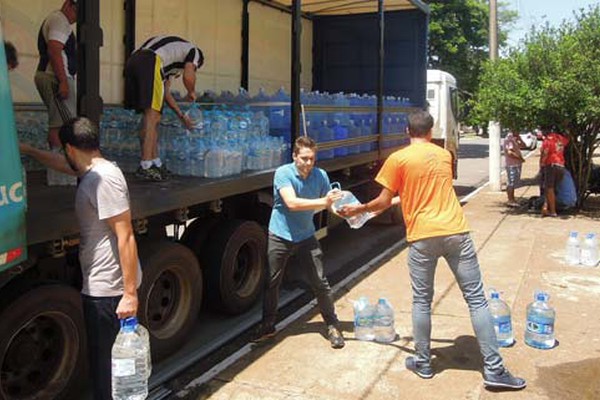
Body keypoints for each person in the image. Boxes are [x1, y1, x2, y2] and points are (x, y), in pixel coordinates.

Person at [338, 110, 526, 389]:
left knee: (421, 302)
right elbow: (430, 189)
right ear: (430, 130)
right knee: (477, 300)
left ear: (406, 131)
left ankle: (424, 362)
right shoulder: (444, 155)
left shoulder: (398, 159)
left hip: (422, 236)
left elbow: (382, 201)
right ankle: (494, 370)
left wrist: (359, 209)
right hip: (456, 231)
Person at [19, 117, 142, 400]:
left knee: (109, 374)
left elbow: (126, 236)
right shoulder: (92, 171)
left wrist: (129, 294)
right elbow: (65, 166)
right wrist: (29, 150)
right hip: (103, 287)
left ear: (70, 149)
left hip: (109, 292)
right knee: (105, 367)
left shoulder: (104, 180)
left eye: (64, 151)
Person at [253, 136, 345, 349]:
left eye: (312, 159)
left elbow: (328, 204)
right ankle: (268, 326)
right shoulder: (283, 173)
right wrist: (324, 202)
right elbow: (292, 203)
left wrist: (341, 209)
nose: (308, 163)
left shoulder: (320, 175)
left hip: (306, 235)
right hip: (280, 235)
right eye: (304, 158)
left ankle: (332, 324)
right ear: (294, 156)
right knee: (272, 283)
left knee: (320, 282)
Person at [124, 35, 204, 181]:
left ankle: (155, 162)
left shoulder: (169, 64)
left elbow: (165, 94)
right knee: (153, 117)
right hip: (150, 61)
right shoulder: (194, 51)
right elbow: (188, 75)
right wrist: (191, 91)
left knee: (151, 116)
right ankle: (146, 165)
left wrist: (181, 116)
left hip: (132, 62)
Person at [34, 0, 78, 149]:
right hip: (54, 77)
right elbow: (54, 49)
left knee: (61, 122)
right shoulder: (59, 20)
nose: (76, 17)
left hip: (56, 77)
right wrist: (63, 81)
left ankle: (58, 164)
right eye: (76, 11)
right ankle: (58, 167)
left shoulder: (60, 22)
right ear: (68, 4)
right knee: (61, 125)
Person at [539, 128, 569, 217]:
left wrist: (542, 163)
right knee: (553, 188)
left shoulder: (547, 140)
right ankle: (545, 207)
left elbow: (545, 153)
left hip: (551, 165)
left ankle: (552, 211)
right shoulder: (560, 138)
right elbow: (566, 141)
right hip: (561, 165)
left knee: (549, 188)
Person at [503, 131, 526, 207]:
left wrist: (519, 138)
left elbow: (523, 145)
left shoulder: (514, 138)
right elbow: (510, 152)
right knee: (511, 182)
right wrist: (520, 158)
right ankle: (510, 200)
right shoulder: (509, 139)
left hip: (517, 164)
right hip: (512, 164)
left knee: (514, 182)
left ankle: (512, 199)